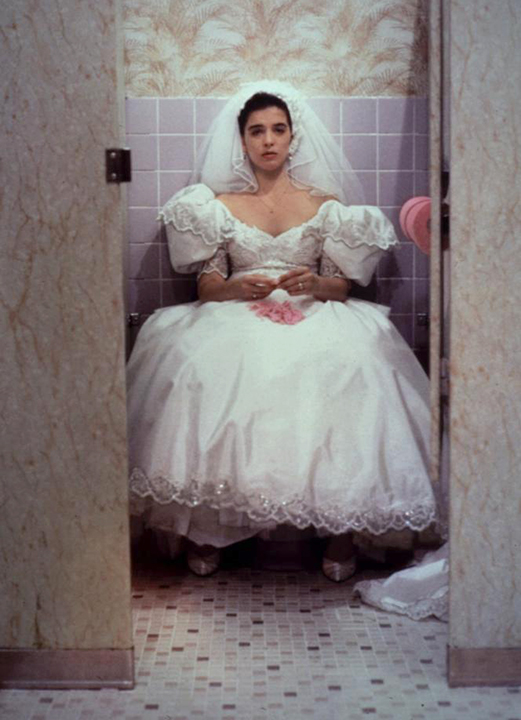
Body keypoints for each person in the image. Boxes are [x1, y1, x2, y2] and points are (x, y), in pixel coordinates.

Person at [127, 80, 442, 582]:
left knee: (354, 363)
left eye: (278, 129)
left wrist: (316, 283)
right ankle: (206, 528)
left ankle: (341, 531)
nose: (269, 140)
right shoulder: (216, 203)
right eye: (257, 131)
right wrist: (237, 287)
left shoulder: (324, 203)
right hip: (236, 310)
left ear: (293, 137)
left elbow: (342, 286)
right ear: (242, 140)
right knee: (204, 366)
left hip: (313, 310)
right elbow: (207, 286)